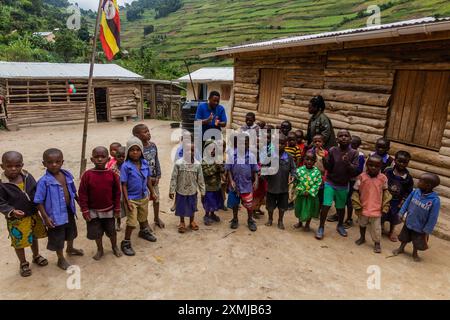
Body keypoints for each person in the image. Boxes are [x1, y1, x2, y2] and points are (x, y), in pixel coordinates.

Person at [35, 148, 84, 270]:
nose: (54, 164)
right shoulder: (43, 182)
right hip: (55, 215)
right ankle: (60, 258)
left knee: (71, 232)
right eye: (50, 162)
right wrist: (46, 217)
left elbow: (73, 191)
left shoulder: (66, 175)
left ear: (62, 162)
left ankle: (70, 248)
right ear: (44, 164)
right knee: (58, 237)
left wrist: (79, 202)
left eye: (57, 161)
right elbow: (38, 201)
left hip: (68, 210)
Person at [0, 151, 48, 277]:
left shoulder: (27, 176)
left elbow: (36, 191)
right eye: (9, 166)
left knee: (34, 236)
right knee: (18, 241)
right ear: (2, 166)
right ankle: (23, 263)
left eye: (17, 165)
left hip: (33, 214)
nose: (13, 169)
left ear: (22, 165)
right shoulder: (2, 184)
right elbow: (1, 203)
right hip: (16, 220)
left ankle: (36, 255)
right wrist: (11, 211)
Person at [78, 147, 122, 260]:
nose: (100, 159)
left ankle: (114, 246)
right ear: (92, 159)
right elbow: (82, 194)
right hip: (93, 212)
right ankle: (100, 249)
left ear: (108, 159)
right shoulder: (87, 175)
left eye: (103, 157)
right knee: (96, 233)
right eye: (97, 157)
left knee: (112, 231)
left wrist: (117, 208)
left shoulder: (112, 175)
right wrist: (85, 210)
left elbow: (117, 192)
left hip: (109, 211)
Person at [316, 129, 359, 240]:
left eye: (346, 135)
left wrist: (347, 163)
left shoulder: (354, 153)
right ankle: (321, 227)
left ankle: (340, 225)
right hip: (330, 182)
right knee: (326, 205)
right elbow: (328, 168)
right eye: (341, 136)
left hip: (343, 185)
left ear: (350, 138)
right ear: (337, 139)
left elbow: (354, 171)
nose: (343, 137)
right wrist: (324, 159)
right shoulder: (333, 150)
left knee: (340, 207)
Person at [120, 137, 157, 256]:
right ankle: (126, 242)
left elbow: (147, 180)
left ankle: (143, 231)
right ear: (127, 152)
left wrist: (152, 192)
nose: (135, 152)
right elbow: (124, 185)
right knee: (131, 222)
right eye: (132, 150)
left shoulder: (145, 163)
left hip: (143, 197)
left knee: (143, 217)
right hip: (131, 199)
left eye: (137, 149)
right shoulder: (126, 166)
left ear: (141, 151)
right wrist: (127, 201)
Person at [393, 173, 441, 262]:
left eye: (420, 181)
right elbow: (407, 202)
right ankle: (401, 248)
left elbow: (433, 217)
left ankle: (415, 253)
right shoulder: (415, 192)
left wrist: (428, 229)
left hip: (420, 226)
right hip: (409, 221)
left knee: (417, 241)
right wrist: (401, 213)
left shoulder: (435, 200)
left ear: (428, 185)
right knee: (404, 237)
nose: (418, 182)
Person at [352, 155, 392, 253]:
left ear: (380, 167)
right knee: (362, 224)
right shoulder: (362, 177)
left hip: (376, 208)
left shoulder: (383, 178)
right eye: (370, 165)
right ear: (366, 165)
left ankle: (377, 243)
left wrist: (385, 205)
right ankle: (362, 237)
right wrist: (356, 204)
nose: (373, 168)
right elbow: (356, 191)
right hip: (363, 207)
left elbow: (386, 192)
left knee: (376, 228)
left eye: (376, 166)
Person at [132, 124, 164, 229]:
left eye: (148, 131)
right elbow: (137, 168)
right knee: (143, 203)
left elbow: (156, 160)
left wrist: (158, 175)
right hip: (142, 181)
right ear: (137, 136)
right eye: (145, 132)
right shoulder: (137, 151)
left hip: (154, 179)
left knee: (156, 199)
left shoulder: (153, 145)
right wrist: (148, 179)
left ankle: (156, 218)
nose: (148, 133)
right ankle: (144, 223)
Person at [169, 142, 206, 233]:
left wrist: (203, 191)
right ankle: (182, 222)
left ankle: (191, 221)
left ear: (195, 151)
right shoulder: (178, 163)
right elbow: (174, 178)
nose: (190, 152)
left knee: (192, 206)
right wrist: (172, 190)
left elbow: (200, 179)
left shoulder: (197, 165)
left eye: (192, 150)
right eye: (187, 150)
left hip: (192, 191)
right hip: (181, 190)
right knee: (181, 207)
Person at [226, 133, 259, 231]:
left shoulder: (251, 156)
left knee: (249, 204)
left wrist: (256, 180)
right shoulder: (232, 155)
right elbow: (228, 170)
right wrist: (231, 180)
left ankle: (250, 220)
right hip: (235, 185)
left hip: (246, 185)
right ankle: (235, 219)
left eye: (245, 143)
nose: (243, 145)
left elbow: (255, 170)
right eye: (240, 143)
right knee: (235, 204)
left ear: (248, 144)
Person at [263, 135, 296, 229]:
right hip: (271, 187)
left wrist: (293, 176)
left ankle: (280, 221)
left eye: (282, 143)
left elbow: (293, 168)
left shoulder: (289, 157)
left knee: (282, 207)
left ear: (286, 144)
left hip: (283, 187)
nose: (279, 145)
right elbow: (264, 167)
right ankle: (270, 219)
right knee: (270, 206)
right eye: (277, 143)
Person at [383, 151, 414, 242]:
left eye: (405, 162)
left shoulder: (408, 178)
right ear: (395, 160)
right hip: (385, 198)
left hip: (397, 201)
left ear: (408, 163)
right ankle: (380, 226)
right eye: (399, 161)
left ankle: (392, 231)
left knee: (394, 216)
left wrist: (403, 201)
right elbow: (382, 182)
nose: (402, 164)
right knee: (383, 213)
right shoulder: (388, 171)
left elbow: (409, 191)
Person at [294, 150, 322, 232]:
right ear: (304, 160)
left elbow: (318, 183)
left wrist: (309, 192)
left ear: (315, 161)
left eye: (311, 160)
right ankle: (300, 222)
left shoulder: (317, 172)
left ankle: (307, 224)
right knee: (299, 208)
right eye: (307, 159)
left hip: (311, 196)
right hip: (301, 194)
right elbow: (296, 182)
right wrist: (301, 190)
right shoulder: (299, 170)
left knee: (310, 209)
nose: (309, 161)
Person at [343, 135, 366, 228]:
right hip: (343, 179)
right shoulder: (345, 151)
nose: (351, 145)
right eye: (350, 143)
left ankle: (349, 218)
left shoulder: (360, 155)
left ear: (358, 145)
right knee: (340, 197)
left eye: (354, 144)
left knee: (349, 200)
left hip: (352, 180)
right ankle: (338, 214)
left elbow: (358, 170)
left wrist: (348, 172)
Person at [201, 140, 225, 225]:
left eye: (214, 149)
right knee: (208, 202)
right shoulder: (204, 161)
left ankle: (212, 214)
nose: (212, 151)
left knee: (215, 201)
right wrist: (216, 166)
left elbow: (222, 170)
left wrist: (221, 167)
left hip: (216, 185)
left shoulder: (217, 158)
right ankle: (206, 215)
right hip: (208, 186)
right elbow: (206, 173)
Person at [110, 146, 126, 231]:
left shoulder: (128, 166)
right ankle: (118, 222)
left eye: (123, 156)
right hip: (117, 191)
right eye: (119, 156)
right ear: (115, 157)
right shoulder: (113, 168)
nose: (121, 158)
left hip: (127, 190)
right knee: (118, 207)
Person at [311, 134, 328, 210]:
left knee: (320, 193)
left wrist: (325, 177)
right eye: (315, 141)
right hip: (311, 175)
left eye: (319, 141)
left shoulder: (325, 153)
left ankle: (318, 209)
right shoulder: (310, 151)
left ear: (323, 143)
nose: (317, 143)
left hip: (321, 176)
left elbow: (327, 166)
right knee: (312, 191)